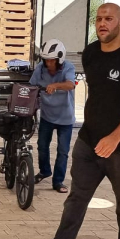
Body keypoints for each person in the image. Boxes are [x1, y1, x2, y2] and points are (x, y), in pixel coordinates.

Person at [31, 3, 120, 239]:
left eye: (109, 19)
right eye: (99, 19)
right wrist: (98, 134)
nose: (102, 23)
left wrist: (114, 137)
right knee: (76, 199)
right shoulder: (91, 53)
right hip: (88, 142)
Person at [29, 39, 77, 193]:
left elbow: (70, 84)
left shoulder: (68, 67)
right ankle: (44, 171)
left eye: (52, 60)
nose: (49, 63)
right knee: (42, 146)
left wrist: (55, 85)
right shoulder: (40, 68)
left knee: (63, 151)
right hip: (47, 116)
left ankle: (58, 181)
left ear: (60, 59)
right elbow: (32, 86)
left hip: (65, 118)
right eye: (46, 60)